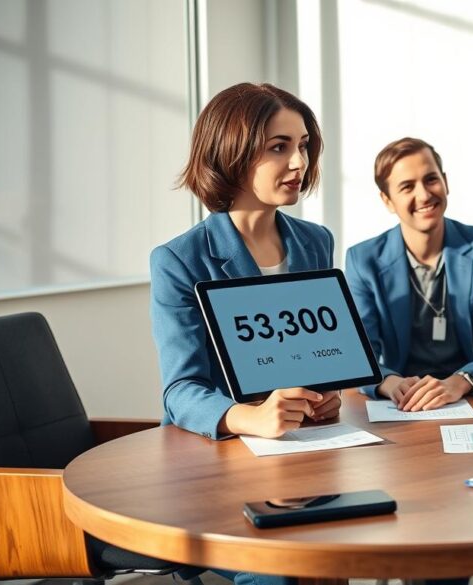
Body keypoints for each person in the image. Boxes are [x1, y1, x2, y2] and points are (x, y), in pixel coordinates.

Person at [149, 82, 343, 585]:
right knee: (278, 569)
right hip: (221, 469)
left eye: (303, 144)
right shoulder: (179, 261)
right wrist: (253, 417)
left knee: (349, 543)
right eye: (279, 147)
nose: (299, 161)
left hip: (306, 457)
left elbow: (313, 356)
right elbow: (181, 392)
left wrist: (325, 394)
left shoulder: (315, 242)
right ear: (231, 154)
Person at [345, 137, 473, 411]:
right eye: (407, 187)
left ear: (446, 182)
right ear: (387, 200)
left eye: (431, 179)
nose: (425, 195)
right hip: (402, 400)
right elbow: (359, 351)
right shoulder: (363, 260)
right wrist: (390, 382)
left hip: (470, 395)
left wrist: (461, 381)